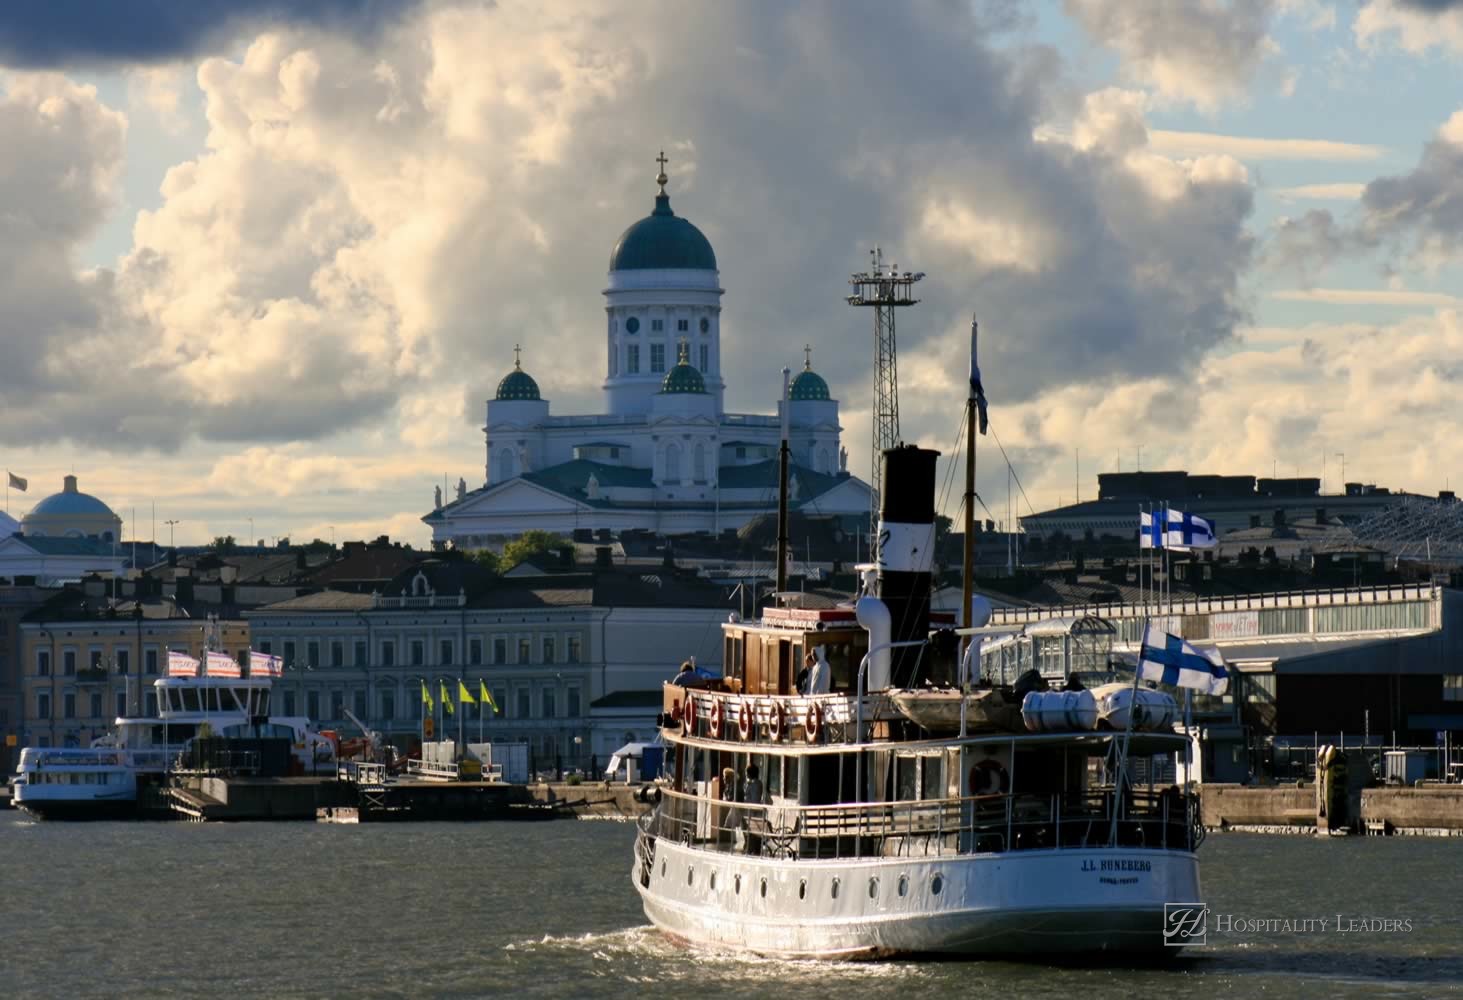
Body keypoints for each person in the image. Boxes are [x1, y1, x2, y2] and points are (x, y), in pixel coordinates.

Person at [741, 764, 765, 855]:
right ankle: (749, 846)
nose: (746, 775)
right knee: (745, 828)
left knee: (751, 830)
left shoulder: (756, 784)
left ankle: (751, 848)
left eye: (747, 773)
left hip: (752, 812)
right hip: (748, 811)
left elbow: (755, 800)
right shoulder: (751, 783)